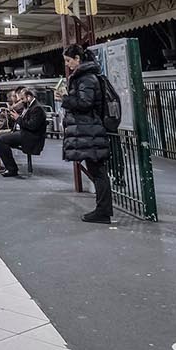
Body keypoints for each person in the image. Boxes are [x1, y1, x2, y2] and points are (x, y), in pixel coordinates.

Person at [61, 44, 113, 223]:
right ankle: (102, 210)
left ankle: (103, 212)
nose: (67, 64)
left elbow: (85, 103)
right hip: (90, 130)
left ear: (78, 58)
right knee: (97, 171)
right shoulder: (86, 76)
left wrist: (65, 99)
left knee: (98, 172)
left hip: (90, 130)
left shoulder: (86, 78)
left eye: (69, 60)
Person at [0, 87, 48, 178]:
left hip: (31, 136)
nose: (21, 101)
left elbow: (32, 126)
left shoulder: (37, 108)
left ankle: (12, 169)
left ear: (29, 97)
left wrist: (18, 119)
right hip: (24, 132)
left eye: (22, 99)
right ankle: (8, 165)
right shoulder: (28, 106)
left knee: (2, 139)